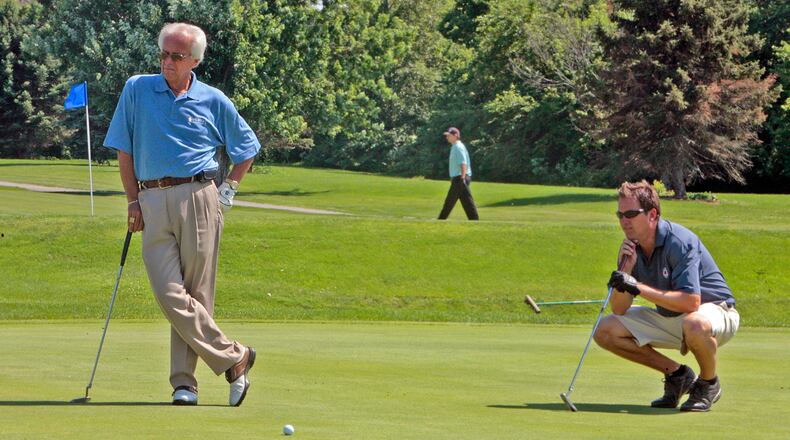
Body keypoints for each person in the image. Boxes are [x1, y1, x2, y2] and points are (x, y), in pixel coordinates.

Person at [103, 22, 261, 407]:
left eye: (177, 56)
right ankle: (234, 357)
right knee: (169, 292)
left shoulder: (213, 99)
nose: (168, 62)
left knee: (197, 294)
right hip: (151, 198)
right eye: (164, 54)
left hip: (200, 196)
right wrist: (131, 201)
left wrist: (229, 190)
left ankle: (184, 384)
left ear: (195, 60)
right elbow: (124, 150)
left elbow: (247, 148)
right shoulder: (137, 89)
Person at [594, 180, 740, 412]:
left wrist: (637, 287)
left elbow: (692, 302)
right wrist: (626, 271)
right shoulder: (630, 249)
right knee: (604, 330)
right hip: (674, 319)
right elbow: (619, 309)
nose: (624, 221)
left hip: (716, 313)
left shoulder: (679, 241)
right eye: (619, 215)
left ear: (652, 214)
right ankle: (678, 375)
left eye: (631, 214)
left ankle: (709, 383)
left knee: (694, 323)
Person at [437, 127, 479, 220]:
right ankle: (474, 220)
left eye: (449, 135)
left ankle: (441, 219)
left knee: (450, 201)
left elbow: (463, 163)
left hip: (460, 178)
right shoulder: (454, 146)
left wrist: (462, 178)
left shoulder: (458, 147)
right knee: (466, 201)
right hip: (458, 177)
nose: (447, 137)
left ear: (455, 135)